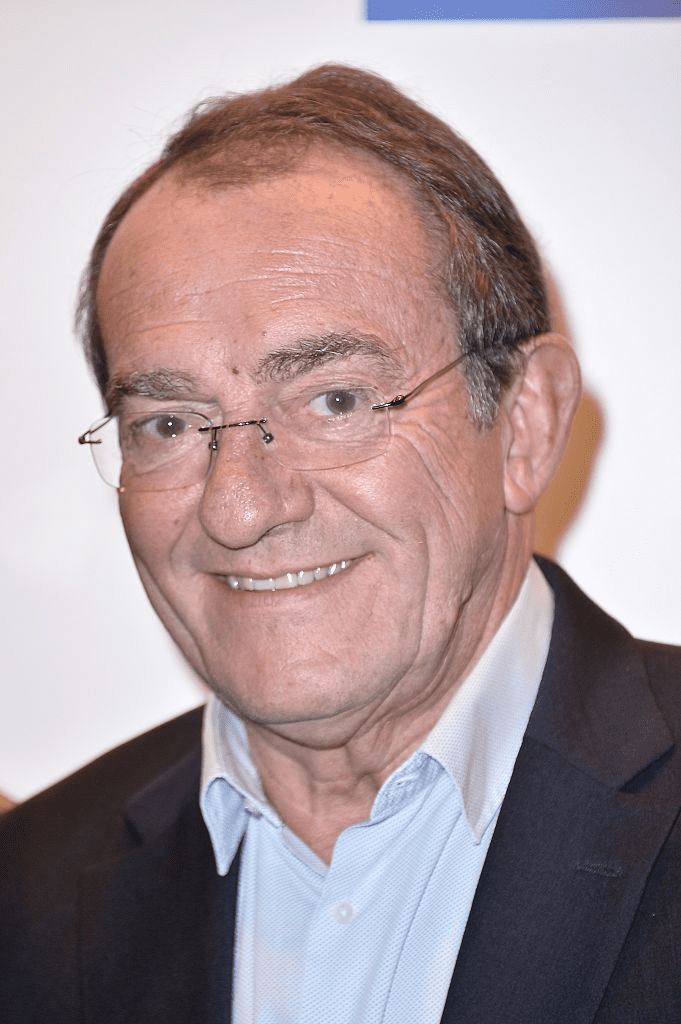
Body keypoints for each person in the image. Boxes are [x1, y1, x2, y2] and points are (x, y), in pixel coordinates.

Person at [1, 64, 679, 1024]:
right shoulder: (27, 899)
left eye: (335, 400)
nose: (238, 508)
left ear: (523, 425)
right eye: (168, 423)